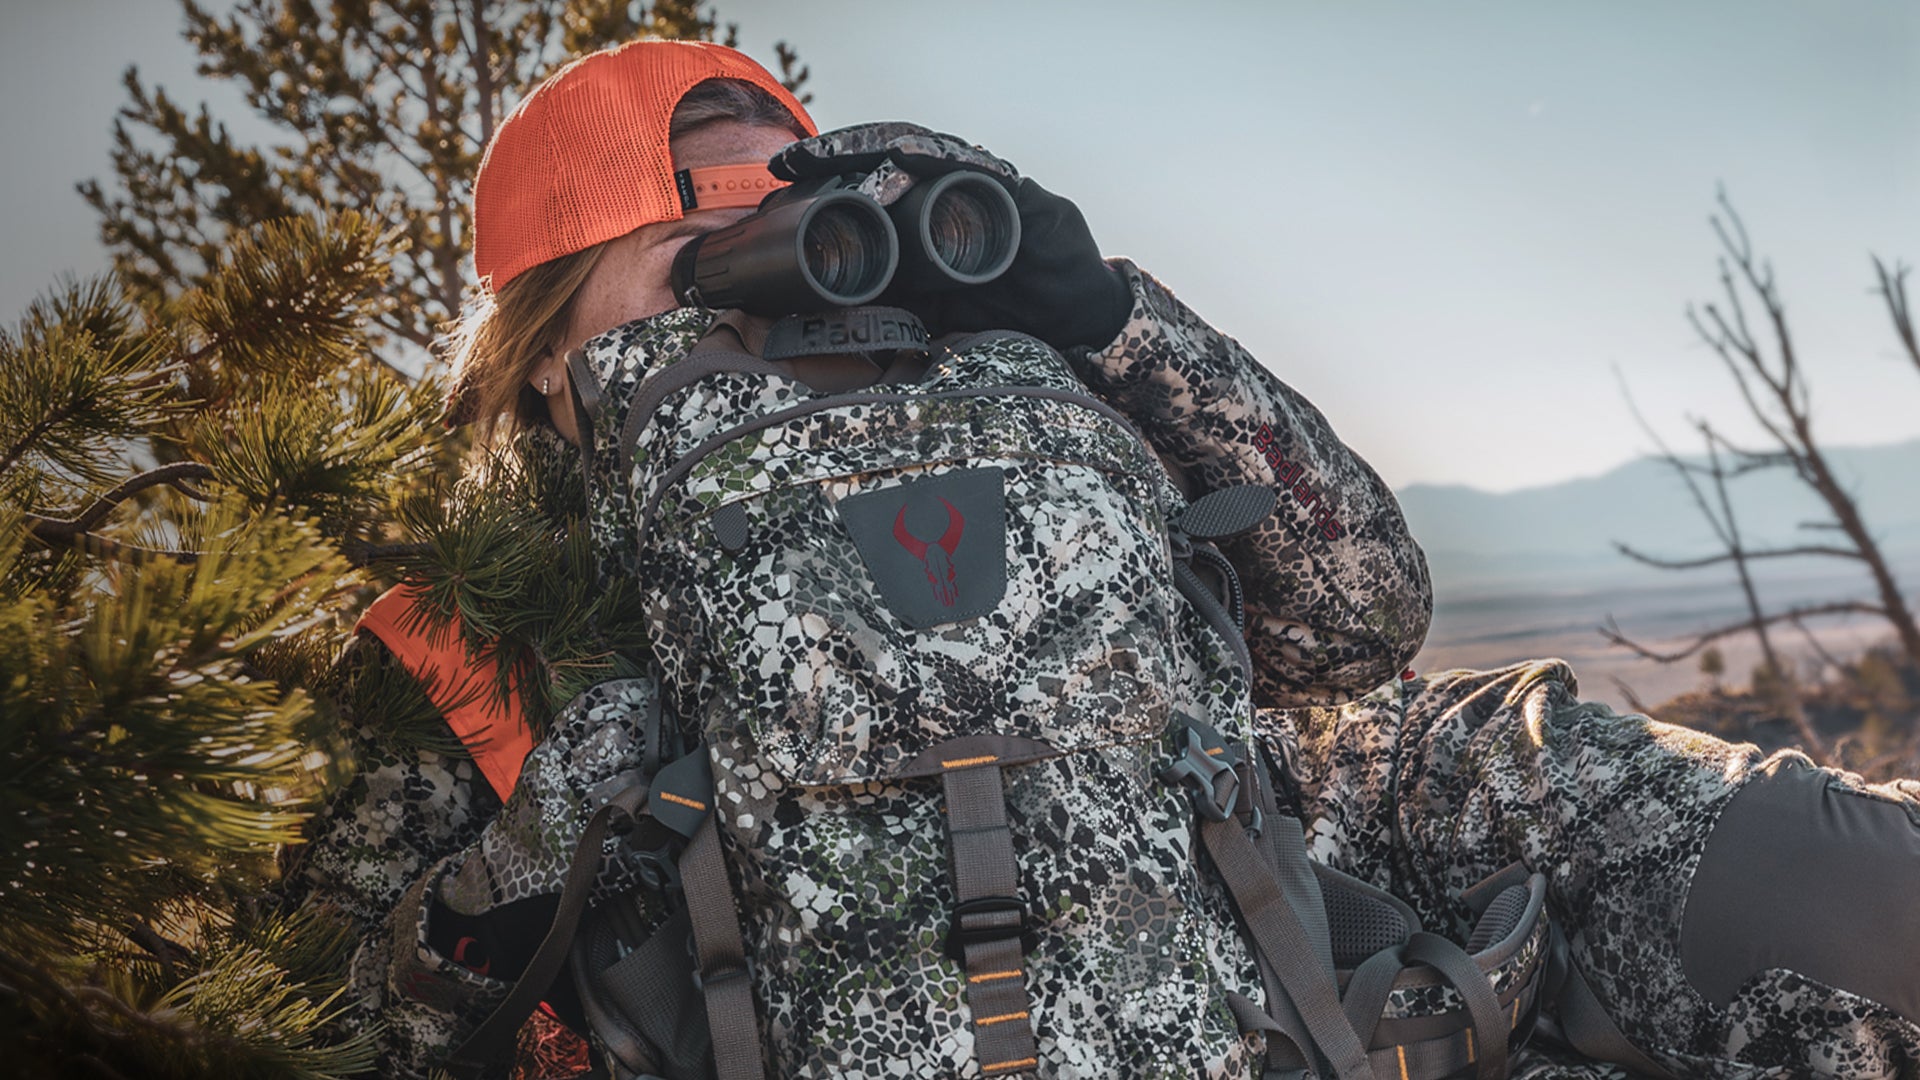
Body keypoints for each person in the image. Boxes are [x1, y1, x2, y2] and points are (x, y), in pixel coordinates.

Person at [277, 37, 1920, 1080]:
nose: (767, 319)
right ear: (542, 358)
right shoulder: (462, 648)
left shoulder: (1002, 419)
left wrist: (1099, 315)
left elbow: (1362, 623)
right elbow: (328, 1021)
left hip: (1280, 890)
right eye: (695, 272)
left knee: (1849, 891)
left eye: (799, 254)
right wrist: (526, 873)